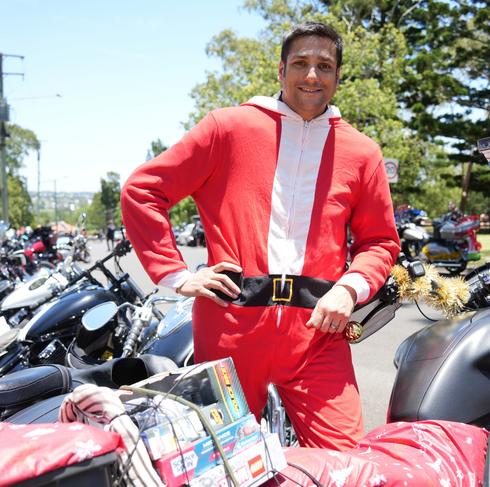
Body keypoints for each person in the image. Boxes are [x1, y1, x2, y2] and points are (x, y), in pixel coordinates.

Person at [121, 21, 400, 451]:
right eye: (301, 63)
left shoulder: (362, 152)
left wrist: (351, 288)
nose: (312, 75)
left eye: (324, 65)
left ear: (338, 75)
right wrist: (175, 275)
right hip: (232, 327)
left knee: (347, 466)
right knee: (224, 463)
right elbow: (144, 190)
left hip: (317, 335)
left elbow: (379, 241)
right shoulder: (227, 128)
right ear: (280, 70)